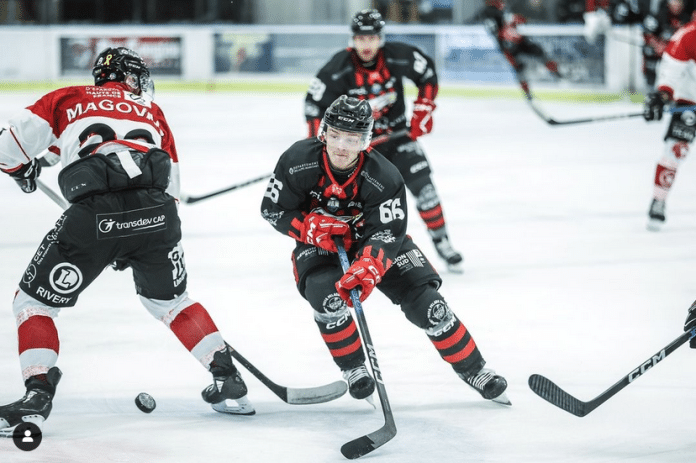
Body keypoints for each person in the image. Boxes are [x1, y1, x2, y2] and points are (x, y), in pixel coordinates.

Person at [0, 47, 252, 434]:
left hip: (95, 217)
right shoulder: (152, 111)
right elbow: (172, 188)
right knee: (172, 301)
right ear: (130, 77)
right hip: (158, 215)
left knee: (33, 302)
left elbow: (8, 147)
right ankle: (226, 377)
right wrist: (135, 235)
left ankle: (37, 396)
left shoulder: (68, 98)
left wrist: (22, 170)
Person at [261, 95, 510, 405]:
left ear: (365, 140)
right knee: (326, 297)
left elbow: (388, 233)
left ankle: (475, 370)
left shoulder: (385, 176)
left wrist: (370, 264)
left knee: (430, 306)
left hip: (375, 241)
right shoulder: (297, 159)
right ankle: (354, 369)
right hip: (321, 244)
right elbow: (272, 209)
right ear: (324, 132)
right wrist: (308, 227)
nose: (341, 146)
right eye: (335, 135)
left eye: (351, 139)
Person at [304, 8, 464, 272]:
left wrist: (424, 108)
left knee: (425, 188)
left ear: (380, 38)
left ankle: (443, 242)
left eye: (371, 38)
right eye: (361, 38)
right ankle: (341, 252)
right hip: (360, 150)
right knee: (351, 204)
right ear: (353, 39)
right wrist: (319, 144)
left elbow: (427, 72)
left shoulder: (396, 56)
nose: (366, 45)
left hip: (399, 139)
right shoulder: (338, 68)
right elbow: (313, 105)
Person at [643, 17, 696, 230]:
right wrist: (663, 94)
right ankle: (659, 199)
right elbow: (671, 69)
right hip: (690, 99)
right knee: (676, 149)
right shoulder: (688, 36)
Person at [477, 0, 562, 95]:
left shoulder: (498, 9)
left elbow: (513, 20)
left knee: (537, 55)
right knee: (520, 68)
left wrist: (516, 22)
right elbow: (497, 30)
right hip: (509, 44)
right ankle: (528, 93)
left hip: (516, 41)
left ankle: (556, 74)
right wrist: (511, 27)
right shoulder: (489, 12)